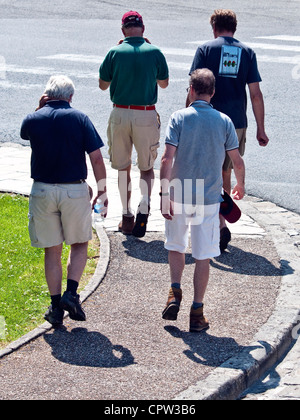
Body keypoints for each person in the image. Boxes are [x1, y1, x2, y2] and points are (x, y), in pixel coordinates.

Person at [160, 69, 245, 332]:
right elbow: (237, 161)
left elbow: (166, 159)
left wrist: (164, 194)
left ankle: (175, 290)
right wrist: (240, 185)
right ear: (213, 92)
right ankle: (197, 312)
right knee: (203, 256)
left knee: (176, 246)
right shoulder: (224, 121)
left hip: (180, 193)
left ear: (191, 90)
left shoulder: (179, 118)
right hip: (208, 199)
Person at [20, 75, 108, 326]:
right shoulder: (80, 119)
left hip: (43, 190)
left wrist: (39, 108)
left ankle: (55, 305)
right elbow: (97, 159)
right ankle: (71, 293)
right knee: (79, 242)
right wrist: (102, 191)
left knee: (52, 248)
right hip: (73, 189)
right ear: (70, 97)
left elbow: (25, 133)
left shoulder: (33, 119)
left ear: (46, 94)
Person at [189, 9, 269, 251]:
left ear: (214, 27)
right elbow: (255, 94)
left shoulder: (205, 49)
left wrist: (186, 120)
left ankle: (219, 224)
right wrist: (260, 129)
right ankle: (221, 223)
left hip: (207, 121)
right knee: (226, 172)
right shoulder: (247, 52)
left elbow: (192, 89)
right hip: (237, 123)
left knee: (207, 173)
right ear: (234, 27)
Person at [99, 11, 169, 238]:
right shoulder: (155, 52)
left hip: (119, 113)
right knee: (147, 168)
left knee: (122, 167)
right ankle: (145, 205)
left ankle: (127, 216)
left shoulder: (114, 52)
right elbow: (164, 83)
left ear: (123, 31)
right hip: (146, 114)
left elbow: (102, 84)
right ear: (143, 29)